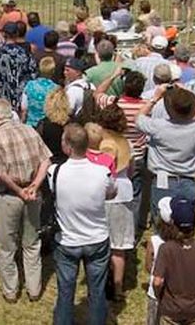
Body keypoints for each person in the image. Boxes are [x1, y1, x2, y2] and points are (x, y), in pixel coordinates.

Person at [0, 98, 52, 302]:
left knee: (6, 246)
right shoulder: (29, 130)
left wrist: (20, 190)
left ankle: (11, 291)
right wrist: (34, 186)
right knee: (32, 243)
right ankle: (34, 289)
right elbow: (46, 161)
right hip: (33, 194)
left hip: (9, 196)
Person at [50, 123, 116, 325]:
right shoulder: (102, 172)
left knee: (65, 292)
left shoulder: (55, 172)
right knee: (97, 292)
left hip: (67, 241)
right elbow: (111, 192)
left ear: (68, 146)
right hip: (96, 238)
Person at [137, 86, 195, 206]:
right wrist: (190, 94)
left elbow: (138, 119)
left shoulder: (158, 126)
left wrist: (155, 98)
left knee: (161, 219)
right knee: (185, 219)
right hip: (187, 180)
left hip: (163, 179)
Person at [151, 196, 195, 325]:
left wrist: (159, 297)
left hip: (170, 310)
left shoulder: (166, 248)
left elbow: (157, 282)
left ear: (172, 222)